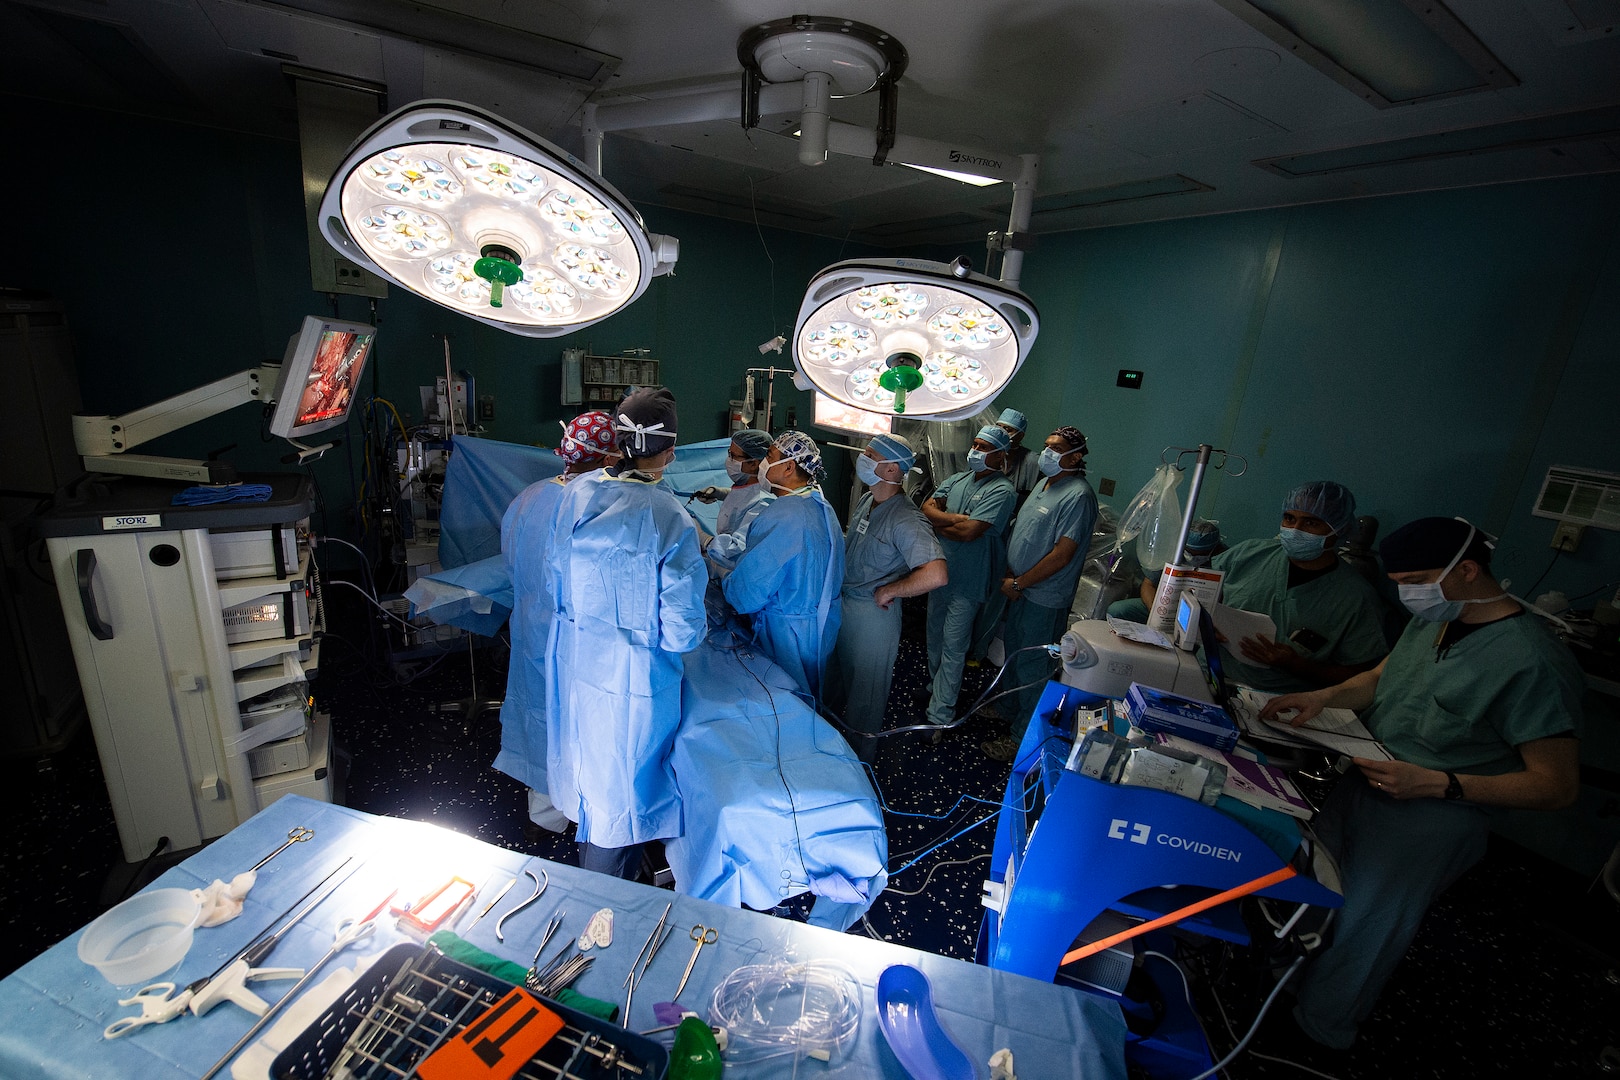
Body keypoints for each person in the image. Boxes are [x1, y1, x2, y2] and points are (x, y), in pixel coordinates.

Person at [1258, 516, 1582, 1051]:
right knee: (1311, 893)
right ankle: (1278, 987)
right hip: (1365, 778)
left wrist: (1441, 784)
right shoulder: (1437, 619)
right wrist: (1324, 698)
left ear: (1470, 570)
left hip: (1434, 814)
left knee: (1367, 926)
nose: (1408, 594)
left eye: (1417, 580)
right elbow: (1381, 678)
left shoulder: (1532, 661)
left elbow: (1556, 785)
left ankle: (1319, 1031)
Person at [545, 387, 708, 879]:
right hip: (632, 683)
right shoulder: (669, 517)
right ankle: (606, 904)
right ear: (671, 452)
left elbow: (557, 570)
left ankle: (604, 877)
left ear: (617, 441)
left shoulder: (577, 492)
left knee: (594, 779)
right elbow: (681, 633)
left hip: (576, 661)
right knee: (623, 793)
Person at [498, 411, 619, 836]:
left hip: (533, 627)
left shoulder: (529, 497)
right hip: (581, 637)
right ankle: (585, 813)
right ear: (608, 454)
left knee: (540, 713)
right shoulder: (597, 501)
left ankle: (545, 814)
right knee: (580, 722)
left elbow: (512, 559)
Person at [826, 434, 947, 763]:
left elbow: (936, 573)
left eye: (869, 454)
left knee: (866, 699)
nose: (862, 458)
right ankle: (828, 752)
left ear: (892, 469)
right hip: (846, 606)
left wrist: (891, 589)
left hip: (873, 618)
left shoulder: (906, 519)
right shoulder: (869, 501)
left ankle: (858, 767)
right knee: (834, 684)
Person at [982, 425, 1098, 762]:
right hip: (1020, 588)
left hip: (1043, 597)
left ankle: (1022, 738)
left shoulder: (1078, 495)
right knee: (1016, 654)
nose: (1046, 453)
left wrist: (1021, 583)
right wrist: (1011, 576)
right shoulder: (1045, 484)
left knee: (1034, 667)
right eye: (1046, 446)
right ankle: (1007, 709)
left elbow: (1062, 554)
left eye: (1056, 448)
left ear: (1075, 457)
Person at [1209, 481, 1388, 694]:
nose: (1295, 530)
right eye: (1289, 518)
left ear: (1338, 529)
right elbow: (1197, 591)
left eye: (1311, 523)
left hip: (1278, 698)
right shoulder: (1249, 554)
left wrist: (1297, 665)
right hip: (1209, 671)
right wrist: (1205, 622)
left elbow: (1360, 676)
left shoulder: (1356, 598)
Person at [722, 430, 845, 705]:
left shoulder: (786, 515)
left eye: (769, 456)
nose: (764, 463)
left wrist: (725, 577)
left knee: (788, 707)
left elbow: (747, 592)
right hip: (819, 630)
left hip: (788, 636)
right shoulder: (820, 506)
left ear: (789, 466)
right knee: (814, 702)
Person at [921, 425, 1018, 731]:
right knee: (934, 635)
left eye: (983, 447)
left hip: (969, 578)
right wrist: (953, 519)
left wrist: (944, 523)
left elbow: (970, 533)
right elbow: (926, 509)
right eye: (975, 444)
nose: (974, 451)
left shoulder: (1003, 491)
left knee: (953, 644)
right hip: (940, 572)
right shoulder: (960, 479)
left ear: (1001, 454)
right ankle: (936, 687)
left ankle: (941, 713)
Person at [1106, 518, 1224, 624]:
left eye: (1201, 554)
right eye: (1189, 551)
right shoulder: (1172, 551)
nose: (1193, 557)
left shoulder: (1224, 559)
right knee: (1117, 610)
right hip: (1166, 609)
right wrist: (1155, 612)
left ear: (1214, 548)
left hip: (1203, 616)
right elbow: (1148, 584)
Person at [694, 429, 775, 574]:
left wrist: (703, 538)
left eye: (733, 456)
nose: (728, 460)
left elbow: (734, 552)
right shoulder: (749, 488)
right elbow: (745, 498)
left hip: (732, 576)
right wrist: (721, 493)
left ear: (754, 464)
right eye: (729, 453)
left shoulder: (763, 504)